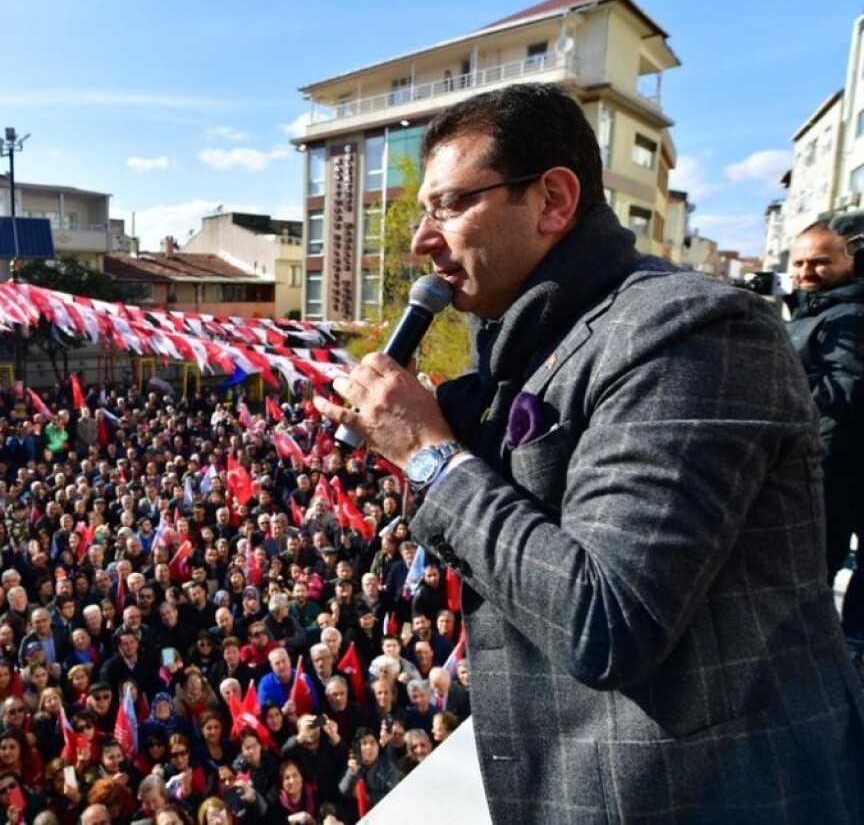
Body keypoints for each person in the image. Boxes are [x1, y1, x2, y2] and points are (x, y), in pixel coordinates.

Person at [314, 82, 864, 821]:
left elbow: (608, 618)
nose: (422, 240)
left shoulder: (688, 332)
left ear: (553, 200)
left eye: (448, 205)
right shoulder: (537, 345)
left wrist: (429, 453)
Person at [786, 218, 864, 635]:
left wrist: (777, 379)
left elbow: (847, 390)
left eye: (819, 263)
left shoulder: (849, 315)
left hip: (834, 463)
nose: (805, 273)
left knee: (816, 564)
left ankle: (829, 652)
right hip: (818, 456)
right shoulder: (818, 310)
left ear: (850, 262)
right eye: (798, 263)